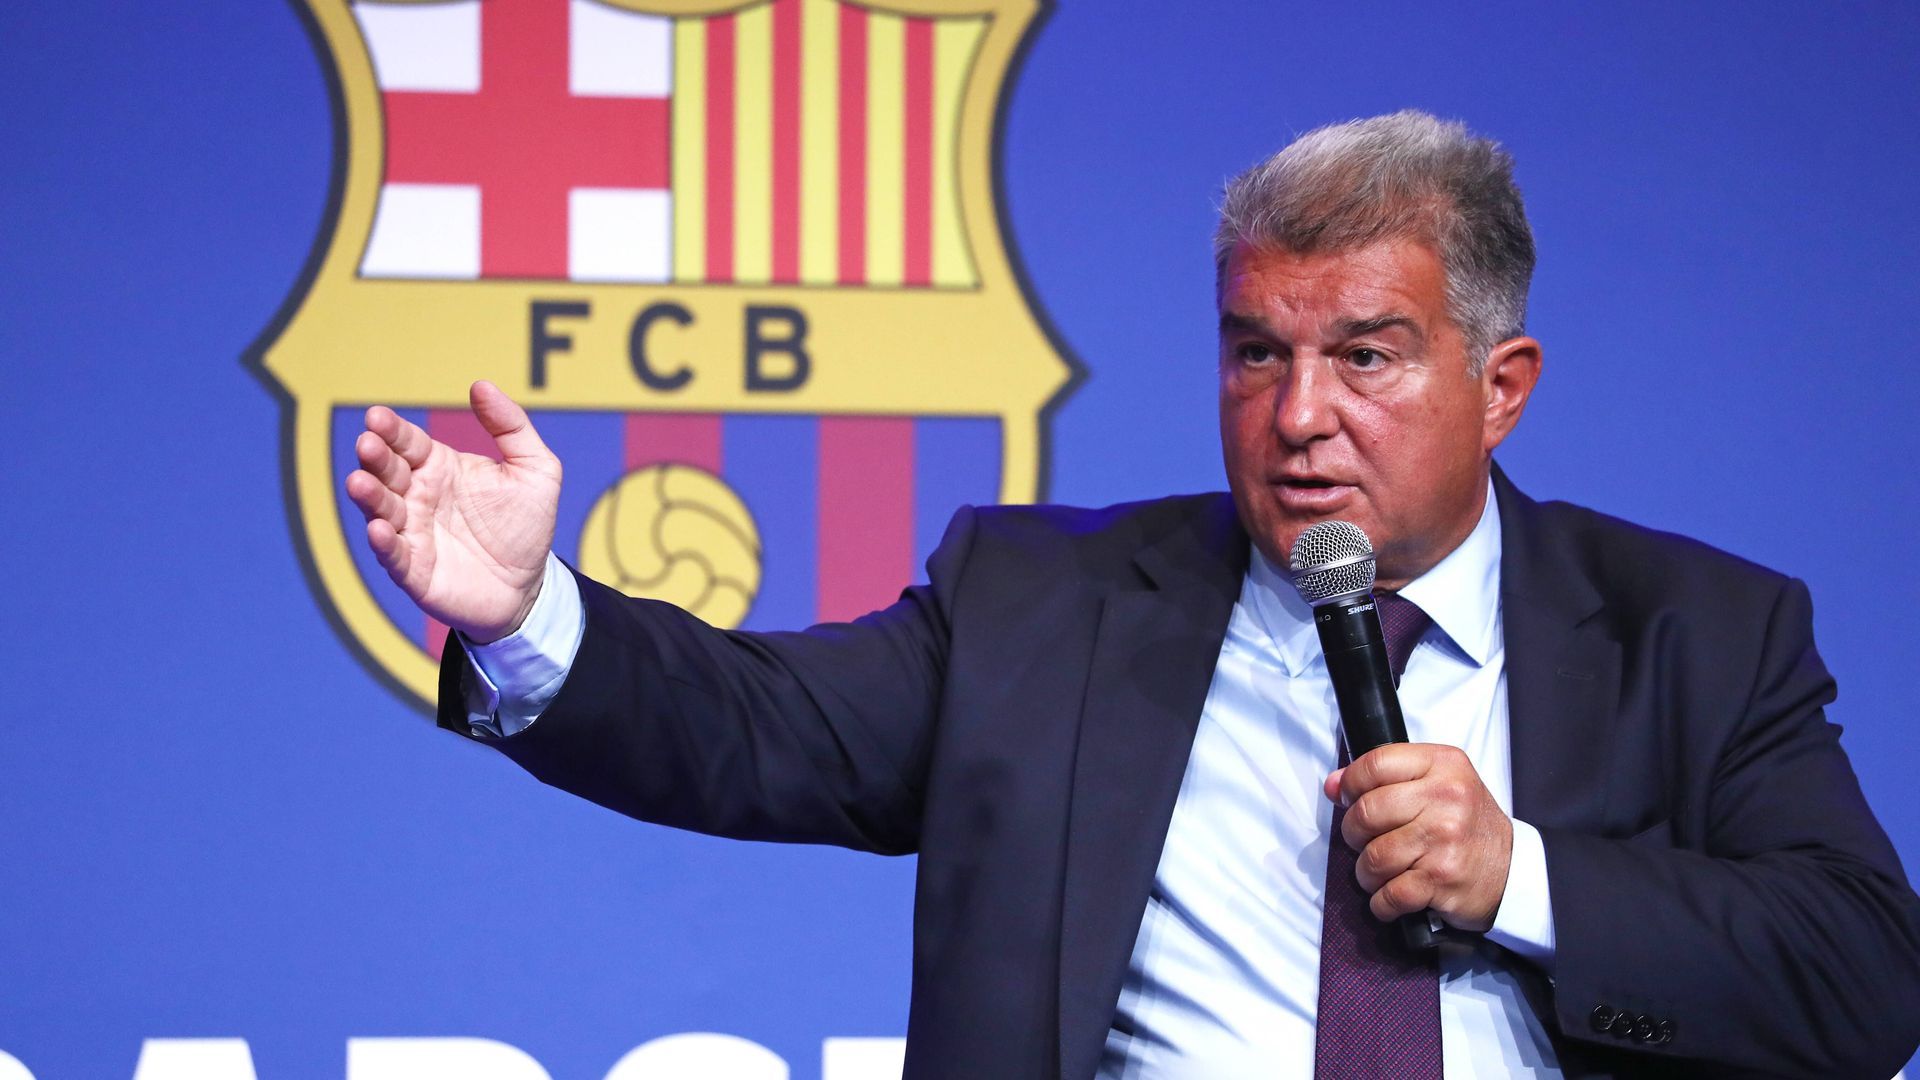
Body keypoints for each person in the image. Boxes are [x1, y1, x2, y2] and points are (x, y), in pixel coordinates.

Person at [345, 111, 1920, 1078]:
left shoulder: (1697, 634)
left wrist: (1521, 878)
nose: (1298, 416)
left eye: (1366, 356)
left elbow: (1863, 985)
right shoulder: (1044, 607)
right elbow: (754, 728)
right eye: (1256, 353)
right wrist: (525, 612)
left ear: (1500, 386)